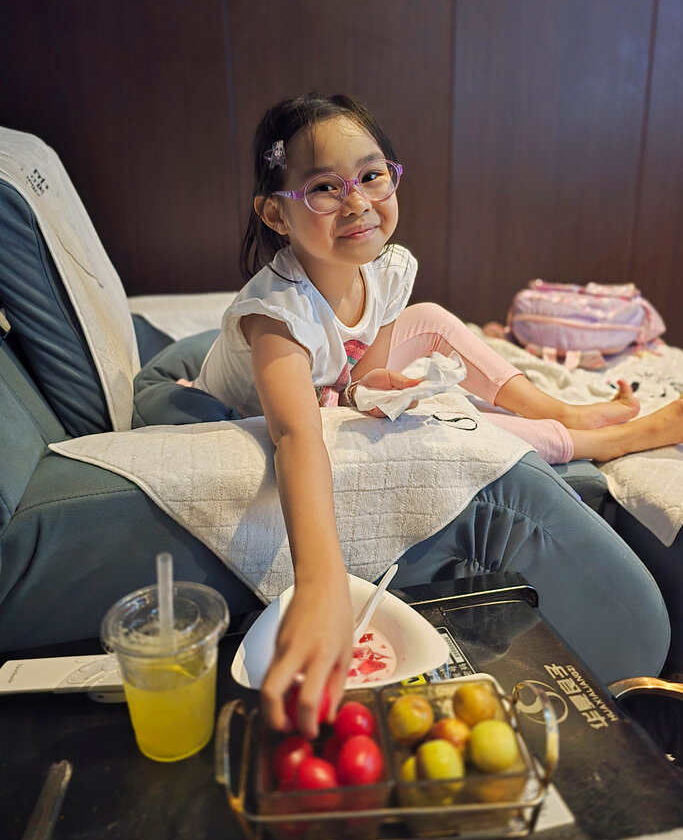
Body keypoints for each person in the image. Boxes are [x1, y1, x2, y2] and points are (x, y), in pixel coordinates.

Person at [192, 93, 682, 736]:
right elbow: (294, 436)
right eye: (324, 188)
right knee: (440, 422)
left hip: (326, 388)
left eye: (371, 175)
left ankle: (564, 410)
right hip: (250, 405)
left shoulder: (381, 269)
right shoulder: (275, 315)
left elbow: (352, 365)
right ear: (275, 213)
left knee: (429, 324)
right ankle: (601, 441)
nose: (357, 202)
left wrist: (366, 387)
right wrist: (320, 583)